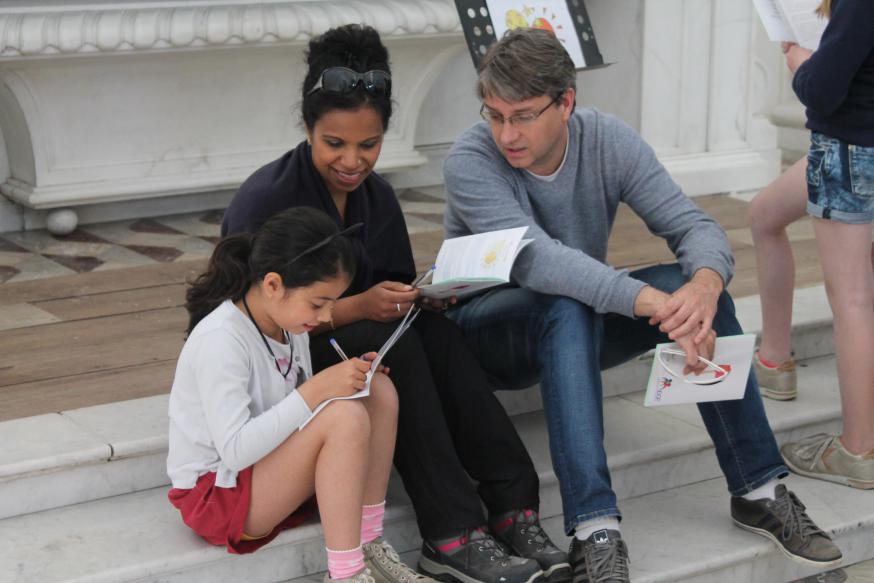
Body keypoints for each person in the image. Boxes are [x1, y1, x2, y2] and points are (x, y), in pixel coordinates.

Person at [442, 27, 842, 583]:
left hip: (574, 326)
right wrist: (647, 299)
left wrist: (702, 285)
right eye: (494, 114)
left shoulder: (607, 139)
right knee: (568, 299)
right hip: (484, 335)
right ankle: (594, 528)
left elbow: (693, 225)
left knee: (695, 288)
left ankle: (759, 488)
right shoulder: (471, 157)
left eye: (524, 115)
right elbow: (536, 261)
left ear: (566, 102)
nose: (506, 132)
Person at [222, 24, 567, 583]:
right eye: (335, 143)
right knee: (396, 346)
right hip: (280, 365)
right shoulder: (267, 198)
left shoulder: (377, 197)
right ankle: (452, 532)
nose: (353, 160)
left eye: (369, 144)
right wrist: (360, 308)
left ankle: (513, 506)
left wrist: (425, 296)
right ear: (308, 127)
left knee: (434, 334)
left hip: (355, 340)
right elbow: (243, 322)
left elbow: (393, 289)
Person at [167, 207, 401, 583]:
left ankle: (369, 544)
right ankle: (346, 574)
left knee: (379, 392)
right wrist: (319, 389)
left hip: (263, 473)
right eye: (318, 303)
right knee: (344, 416)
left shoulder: (289, 325)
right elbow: (236, 450)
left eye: (331, 303)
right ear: (273, 284)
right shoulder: (220, 340)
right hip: (218, 493)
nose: (326, 317)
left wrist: (347, 382)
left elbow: (295, 413)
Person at [778, 0, 874, 490]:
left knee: (853, 302)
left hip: (852, 148)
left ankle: (857, 450)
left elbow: (824, 90)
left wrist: (800, 66)